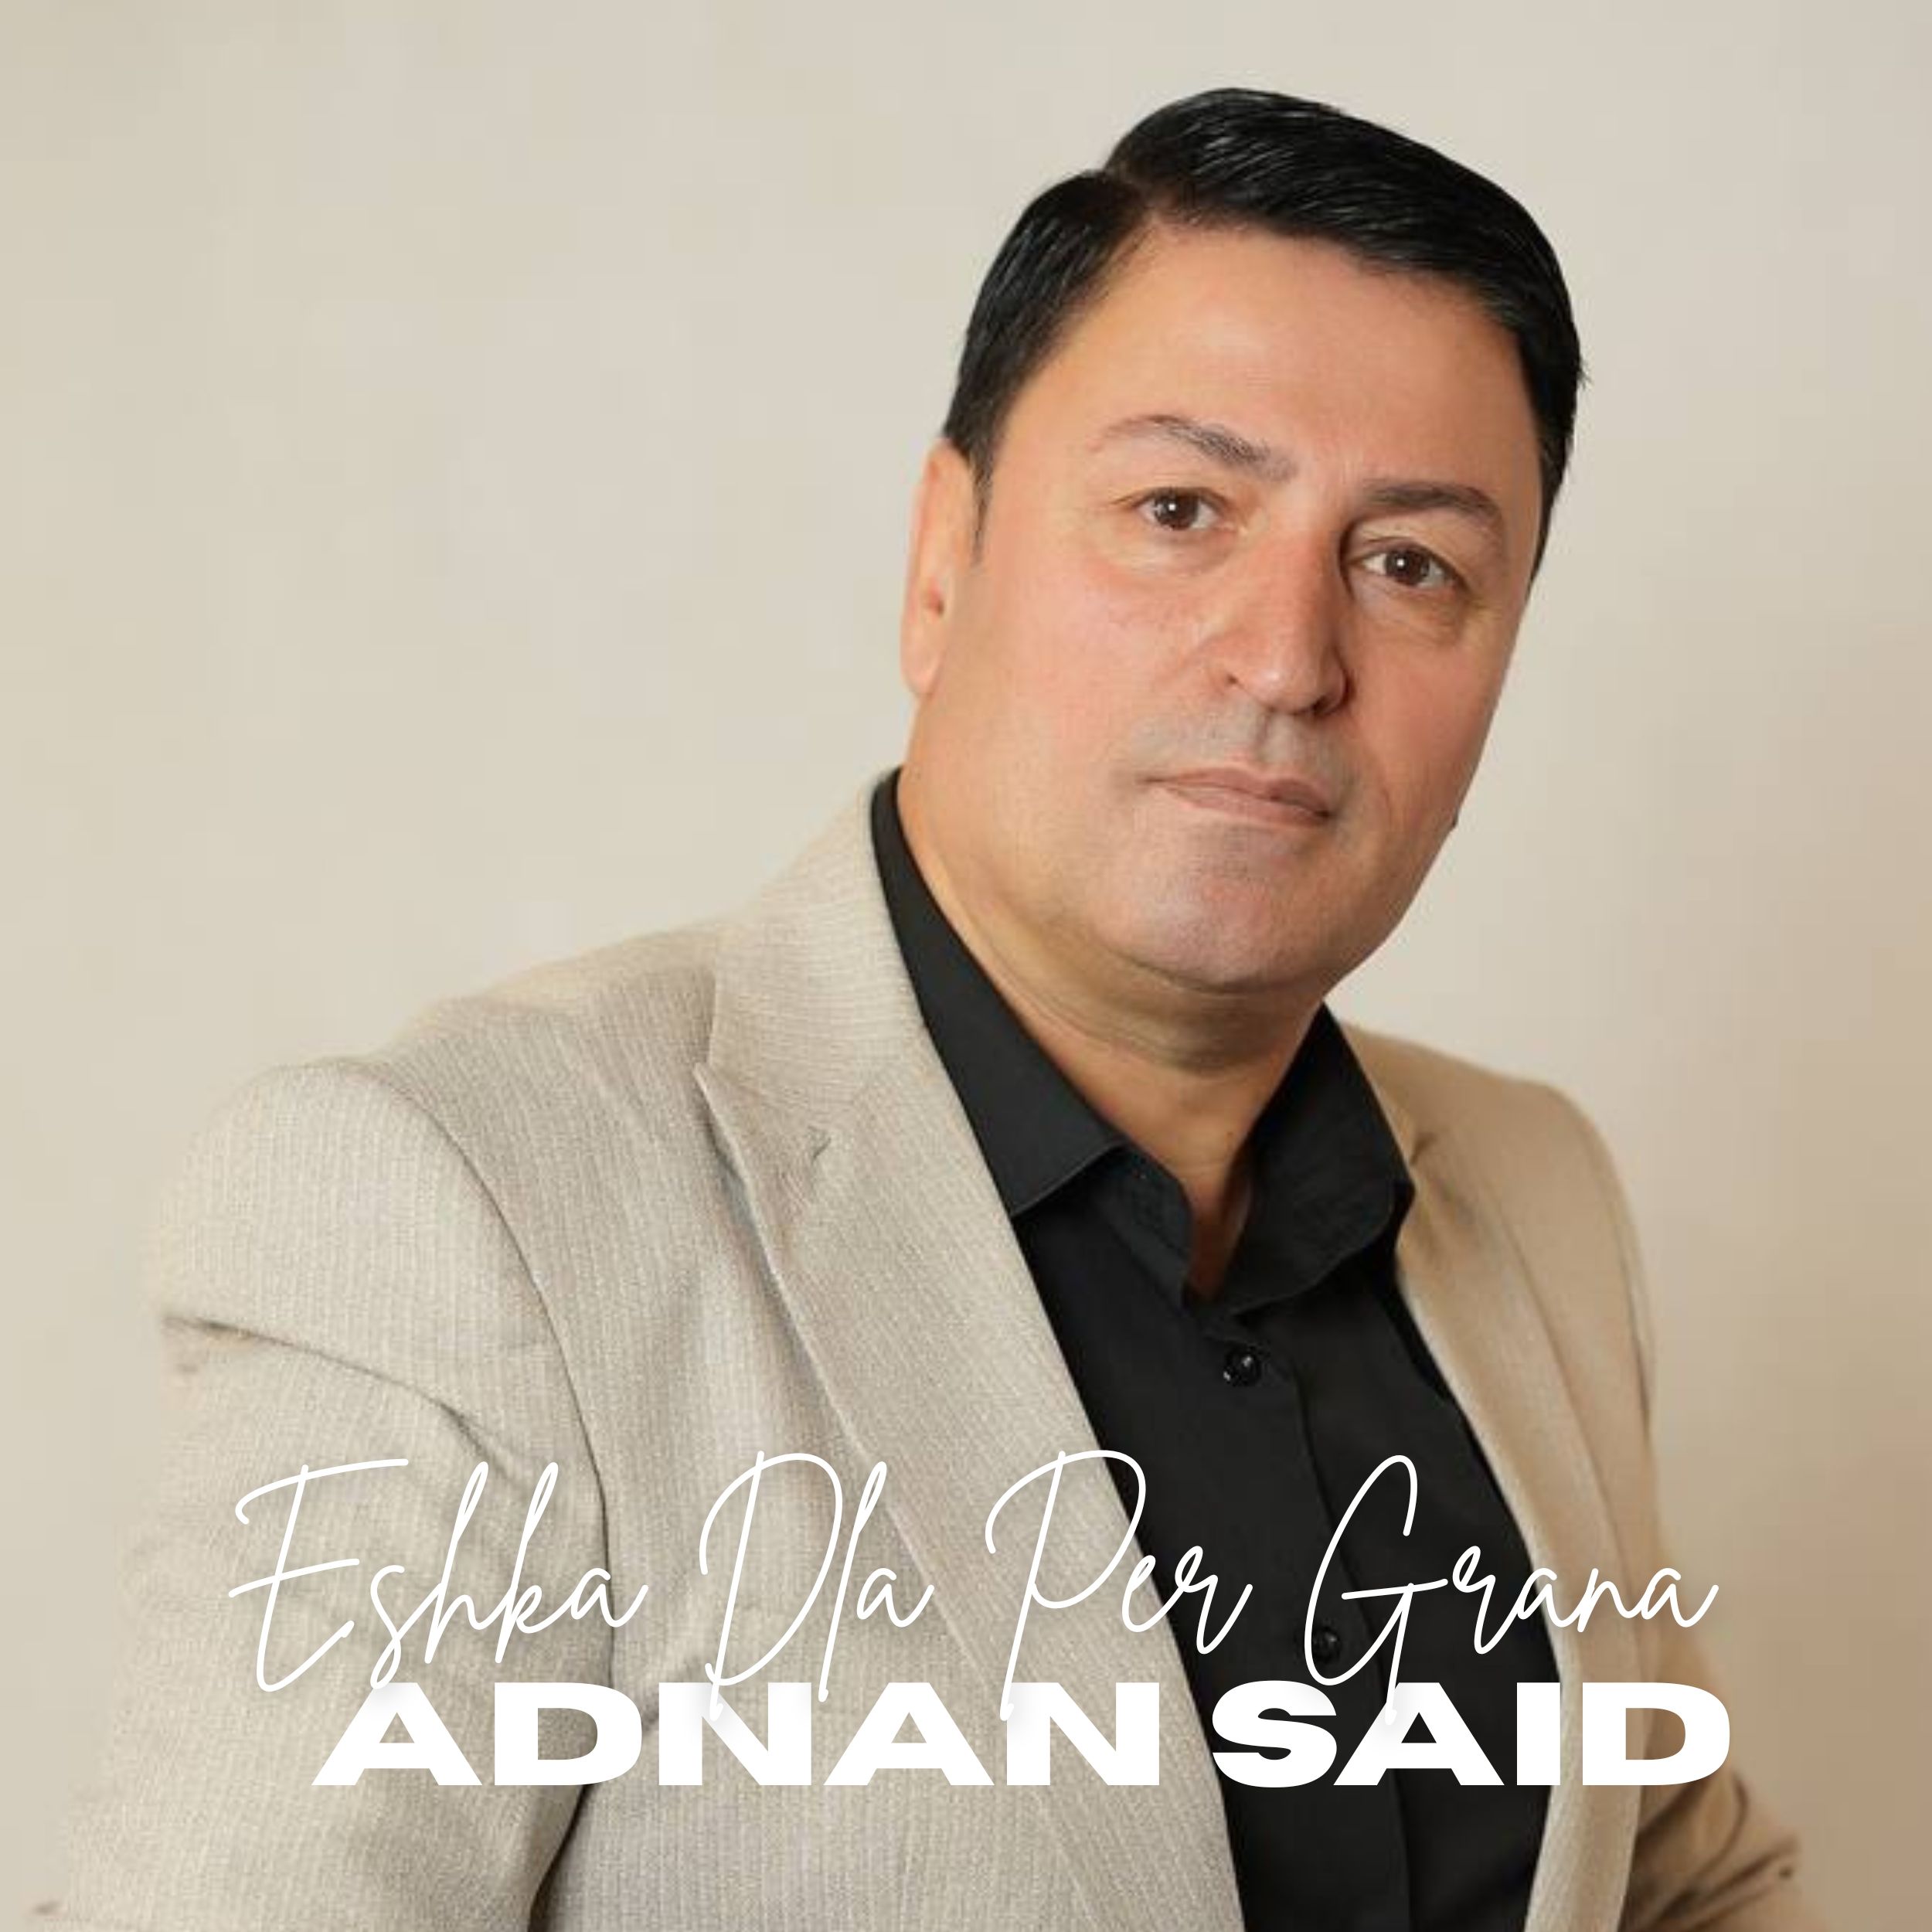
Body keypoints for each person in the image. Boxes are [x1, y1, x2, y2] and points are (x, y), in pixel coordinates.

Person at [51, 88, 1823, 1932]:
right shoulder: (458, 1204)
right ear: (940, 560)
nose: (1289, 656)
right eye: (1178, 509)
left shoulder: (1533, 1196)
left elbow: (1680, 1877)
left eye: (1408, 564)